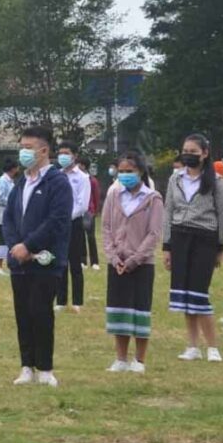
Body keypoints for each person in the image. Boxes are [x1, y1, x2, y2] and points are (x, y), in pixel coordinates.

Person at [3, 126, 72, 387]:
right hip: (19, 262)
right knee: (23, 313)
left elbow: (57, 220)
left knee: (41, 311)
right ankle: (26, 366)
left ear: (44, 150)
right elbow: (9, 217)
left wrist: (29, 246)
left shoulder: (57, 182)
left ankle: (45, 368)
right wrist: (15, 246)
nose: (24, 152)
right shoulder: (21, 182)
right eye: (22, 146)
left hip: (46, 260)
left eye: (29, 147)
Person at [163, 133, 223, 362]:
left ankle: (212, 347)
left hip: (205, 239)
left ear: (205, 154)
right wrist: (167, 246)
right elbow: (168, 211)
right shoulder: (175, 179)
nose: (188, 155)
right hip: (180, 238)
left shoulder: (217, 181)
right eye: (185, 151)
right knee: (184, 295)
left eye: (193, 152)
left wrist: (221, 246)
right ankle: (192, 346)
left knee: (199, 294)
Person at [101, 151, 163, 373]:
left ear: (141, 172)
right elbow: (106, 227)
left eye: (130, 171)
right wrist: (114, 257)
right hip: (117, 262)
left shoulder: (152, 199)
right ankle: (120, 358)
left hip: (142, 263)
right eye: (122, 172)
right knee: (119, 309)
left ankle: (139, 359)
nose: (125, 175)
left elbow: (154, 233)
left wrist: (135, 259)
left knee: (139, 309)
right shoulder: (113, 196)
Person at [54, 141, 90, 313]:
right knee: (59, 262)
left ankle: (77, 301)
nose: (63, 156)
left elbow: (82, 205)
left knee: (75, 262)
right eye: (60, 152)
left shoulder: (82, 178)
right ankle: (60, 300)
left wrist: (66, 218)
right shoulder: (56, 175)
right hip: (57, 224)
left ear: (74, 155)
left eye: (66, 152)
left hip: (73, 223)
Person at [0, 157, 19, 275]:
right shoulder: (2, 181)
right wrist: (11, 202)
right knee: (1, 241)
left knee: (8, 240)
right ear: (13, 169)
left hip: (10, 215)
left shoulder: (10, 180)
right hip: (2, 216)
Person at [77, 156, 101, 271]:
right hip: (78, 212)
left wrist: (95, 211)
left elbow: (96, 197)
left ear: (84, 166)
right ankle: (82, 261)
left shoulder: (92, 180)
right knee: (80, 237)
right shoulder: (77, 179)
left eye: (80, 164)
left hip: (89, 212)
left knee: (91, 237)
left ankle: (95, 262)